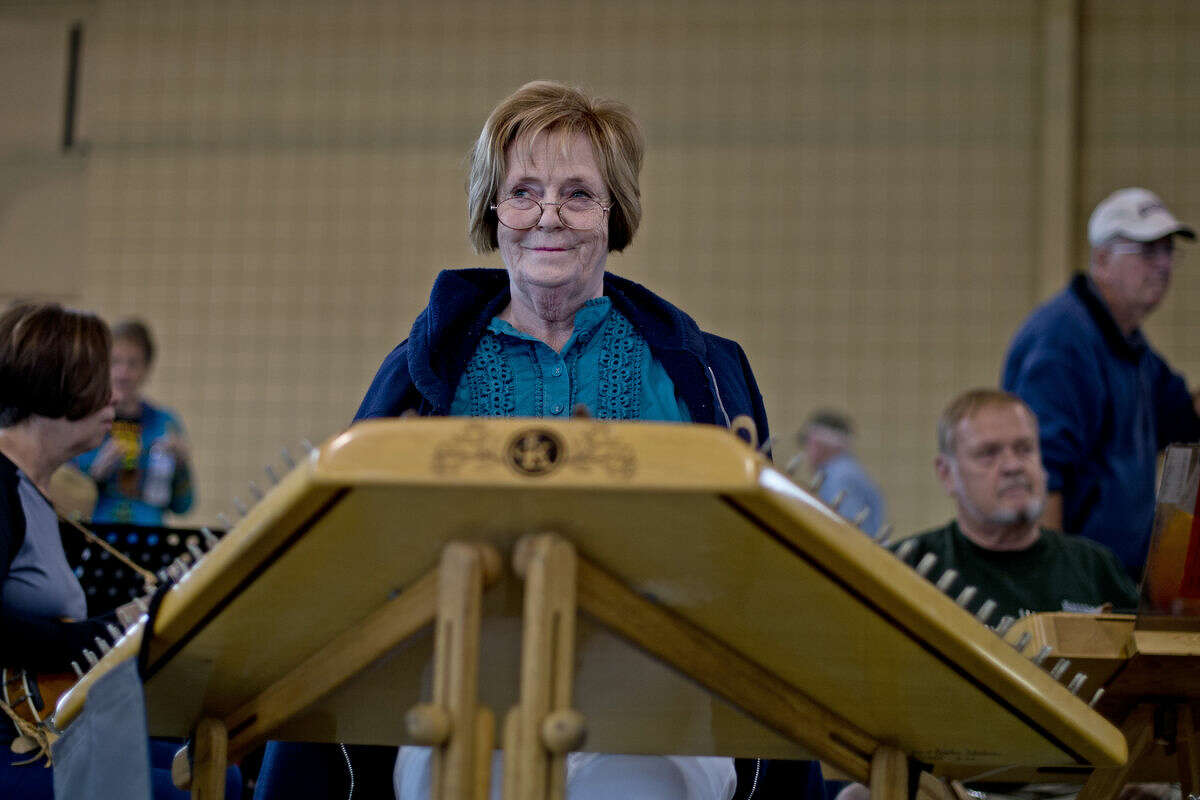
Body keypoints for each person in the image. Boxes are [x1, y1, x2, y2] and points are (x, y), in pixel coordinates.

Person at [255, 80, 816, 800]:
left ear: (616, 214)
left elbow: (755, 561)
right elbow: (356, 554)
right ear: (494, 211)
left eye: (579, 194)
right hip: (455, 679)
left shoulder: (703, 370)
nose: (548, 216)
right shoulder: (419, 371)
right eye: (523, 192)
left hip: (656, 682)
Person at [0, 303, 238, 798]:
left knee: (224, 774)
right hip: (15, 737)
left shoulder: (35, 492)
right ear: (53, 387)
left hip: (47, 719)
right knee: (196, 786)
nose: (114, 395)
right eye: (97, 380)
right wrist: (113, 628)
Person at [1002, 188, 1199, 578]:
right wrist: (1054, 588)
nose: (1163, 265)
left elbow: (1182, 420)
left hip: (1115, 577)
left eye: (1168, 252)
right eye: (1147, 252)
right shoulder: (1064, 342)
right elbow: (1041, 471)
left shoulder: (1130, 345)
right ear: (1103, 259)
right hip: (1078, 585)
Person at [906, 388, 1138, 619]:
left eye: (1024, 449)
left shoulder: (1095, 568)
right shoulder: (910, 568)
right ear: (947, 474)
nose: (1013, 466)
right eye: (989, 453)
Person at [74, 319, 194, 525]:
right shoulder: (84, 420)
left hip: (149, 539)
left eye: (133, 363)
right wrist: (95, 474)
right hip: (96, 537)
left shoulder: (165, 423)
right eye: (116, 362)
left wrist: (182, 467)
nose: (123, 373)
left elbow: (184, 506)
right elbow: (62, 498)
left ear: (146, 368)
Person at [797, 410, 886, 536]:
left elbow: (846, 529)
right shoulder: (849, 471)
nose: (806, 450)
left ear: (820, 444)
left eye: (807, 441)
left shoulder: (838, 476)